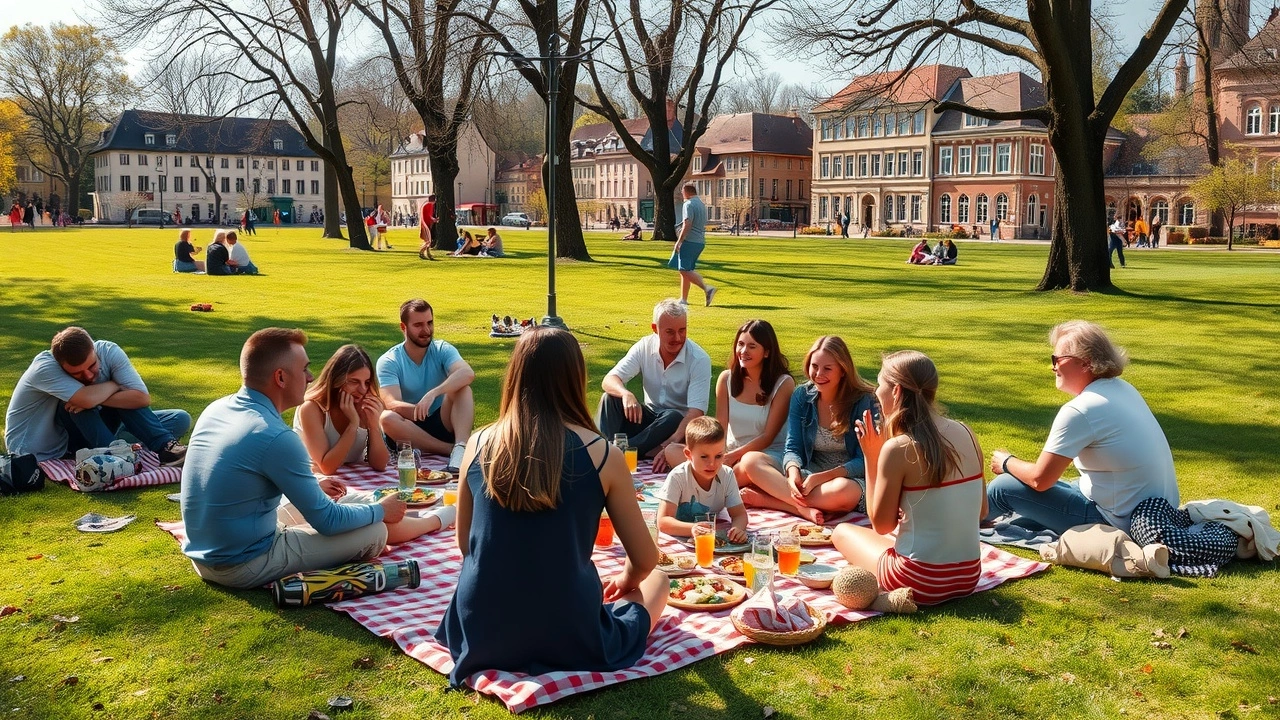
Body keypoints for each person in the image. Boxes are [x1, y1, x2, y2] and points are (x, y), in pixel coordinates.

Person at [434, 327, 666, 688]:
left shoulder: (478, 443)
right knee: (658, 581)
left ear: (516, 375)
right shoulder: (603, 453)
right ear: (575, 378)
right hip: (568, 629)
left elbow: (465, 545)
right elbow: (646, 559)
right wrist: (625, 582)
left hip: (481, 626)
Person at [180, 328, 408, 589]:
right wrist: (382, 510)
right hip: (242, 563)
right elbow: (328, 522)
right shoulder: (275, 435)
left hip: (207, 553)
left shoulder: (217, 408)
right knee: (375, 531)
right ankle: (434, 520)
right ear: (280, 377)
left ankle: (426, 518)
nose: (311, 377)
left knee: (348, 502)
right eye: (305, 369)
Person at [987, 321, 1179, 535]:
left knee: (1003, 488)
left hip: (1120, 522)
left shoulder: (1081, 409)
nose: (1053, 367)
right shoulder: (1123, 389)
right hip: (1157, 512)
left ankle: (960, 521)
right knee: (1057, 486)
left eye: (1057, 359)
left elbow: (1040, 480)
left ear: (1086, 363)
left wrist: (1006, 462)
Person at [832, 350, 986, 605]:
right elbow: (982, 511)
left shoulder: (897, 448)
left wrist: (872, 456)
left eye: (880, 384)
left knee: (841, 531)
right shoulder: (966, 432)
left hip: (918, 581)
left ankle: (889, 598)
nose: (876, 392)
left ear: (896, 391)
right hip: (969, 577)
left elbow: (881, 525)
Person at [292, 344, 451, 544]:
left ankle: (436, 519)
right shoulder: (312, 408)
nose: (362, 389)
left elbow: (379, 464)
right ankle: (436, 520)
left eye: (367, 382)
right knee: (378, 520)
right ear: (337, 379)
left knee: (397, 506)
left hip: (356, 482)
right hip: (322, 485)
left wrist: (374, 425)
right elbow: (327, 466)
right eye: (354, 382)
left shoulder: (365, 404)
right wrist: (353, 425)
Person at [736, 336, 877, 525]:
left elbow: (866, 459)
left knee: (843, 492)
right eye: (814, 366)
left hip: (847, 478)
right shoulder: (802, 396)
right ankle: (800, 508)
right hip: (811, 471)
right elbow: (793, 446)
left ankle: (770, 499)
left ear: (843, 370)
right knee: (751, 461)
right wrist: (792, 470)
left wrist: (824, 477)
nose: (818, 374)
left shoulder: (865, 401)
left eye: (827, 369)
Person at [4, 327, 189, 464]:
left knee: (180, 419)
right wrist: (116, 385)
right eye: (77, 374)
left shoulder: (108, 351)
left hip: (97, 425)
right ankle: (117, 455)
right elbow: (84, 400)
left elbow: (141, 398)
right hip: (48, 445)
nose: (88, 376)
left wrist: (106, 393)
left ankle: (165, 447)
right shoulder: (45, 368)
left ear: (94, 349)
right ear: (60, 365)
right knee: (75, 404)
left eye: (92, 366)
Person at [662, 319, 793, 474]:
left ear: (766, 352)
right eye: (740, 344)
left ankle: (715, 478)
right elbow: (720, 429)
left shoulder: (783, 383)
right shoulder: (726, 379)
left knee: (747, 465)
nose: (743, 351)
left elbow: (768, 437)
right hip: (729, 452)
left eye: (752, 346)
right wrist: (717, 456)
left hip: (763, 456)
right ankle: (721, 478)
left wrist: (732, 457)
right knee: (672, 451)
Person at [597, 299, 711, 474]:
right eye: (670, 332)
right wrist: (626, 394)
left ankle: (617, 453)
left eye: (682, 330)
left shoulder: (699, 359)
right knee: (610, 398)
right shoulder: (644, 346)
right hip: (648, 422)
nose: (678, 338)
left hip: (677, 429)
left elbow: (696, 413)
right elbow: (609, 379)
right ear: (655, 329)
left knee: (673, 416)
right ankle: (608, 450)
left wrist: (671, 443)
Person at [377, 299, 475, 473]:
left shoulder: (442, 349)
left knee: (463, 389)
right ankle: (451, 449)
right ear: (403, 327)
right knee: (387, 418)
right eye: (418, 325)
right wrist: (418, 409)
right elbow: (391, 403)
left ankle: (460, 446)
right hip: (409, 426)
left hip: (442, 420)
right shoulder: (389, 360)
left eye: (429, 323)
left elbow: (467, 373)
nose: (427, 330)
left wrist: (433, 394)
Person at [655, 416, 749, 543]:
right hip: (681, 533)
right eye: (704, 457)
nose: (712, 464)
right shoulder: (678, 476)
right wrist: (692, 529)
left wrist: (738, 529)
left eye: (718, 456)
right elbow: (663, 521)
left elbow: (739, 514)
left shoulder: (727, 475)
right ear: (688, 454)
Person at [669, 182, 716, 307]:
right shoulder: (701, 204)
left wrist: (679, 241)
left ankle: (707, 288)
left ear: (686, 192)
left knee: (684, 270)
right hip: (699, 241)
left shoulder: (688, 204)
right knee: (686, 270)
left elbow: (687, 223)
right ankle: (683, 299)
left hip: (690, 240)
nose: (682, 194)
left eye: (682, 192)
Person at [418, 194, 437, 260]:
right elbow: (429, 216)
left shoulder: (425, 205)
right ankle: (421, 252)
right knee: (428, 241)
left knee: (427, 240)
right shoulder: (429, 205)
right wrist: (434, 220)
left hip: (425, 224)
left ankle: (428, 254)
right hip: (426, 224)